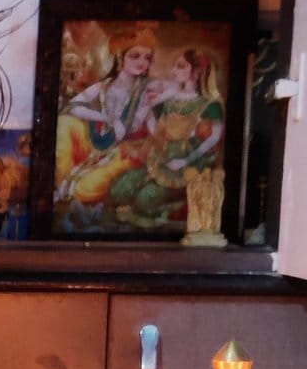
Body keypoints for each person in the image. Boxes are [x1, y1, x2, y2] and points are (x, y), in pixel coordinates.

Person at [107, 48, 224, 231]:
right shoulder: (169, 99)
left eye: (180, 67)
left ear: (196, 72)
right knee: (119, 190)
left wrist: (185, 160)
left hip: (188, 163)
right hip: (161, 157)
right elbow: (153, 125)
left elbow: (212, 139)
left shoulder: (208, 104)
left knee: (145, 199)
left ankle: (169, 211)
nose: (173, 72)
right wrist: (149, 106)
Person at [54, 29, 161, 220]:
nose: (141, 62)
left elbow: (153, 127)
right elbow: (71, 108)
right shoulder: (105, 86)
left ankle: (74, 194)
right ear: (120, 57)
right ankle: (59, 184)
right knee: (64, 123)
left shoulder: (146, 89)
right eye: (135, 56)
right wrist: (105, 118)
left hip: (127, 151)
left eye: (147, 58)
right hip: (101, 142)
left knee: (85, 189)